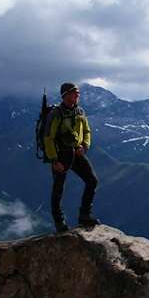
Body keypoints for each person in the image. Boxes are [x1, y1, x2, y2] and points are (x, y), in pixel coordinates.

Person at [44, 83, 99, 232]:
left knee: (92, 181)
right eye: (75, 93)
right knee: (58, 188)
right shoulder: (56, 114)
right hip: (61, 155)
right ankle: (59, 222)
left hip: (76, 153)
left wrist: (85, 146)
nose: (78, 95)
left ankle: (85, 215)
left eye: (78, 93)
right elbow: (48, 138)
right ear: (66, 95)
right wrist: (54, 160)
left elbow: (87, 131)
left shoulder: (80, 111)